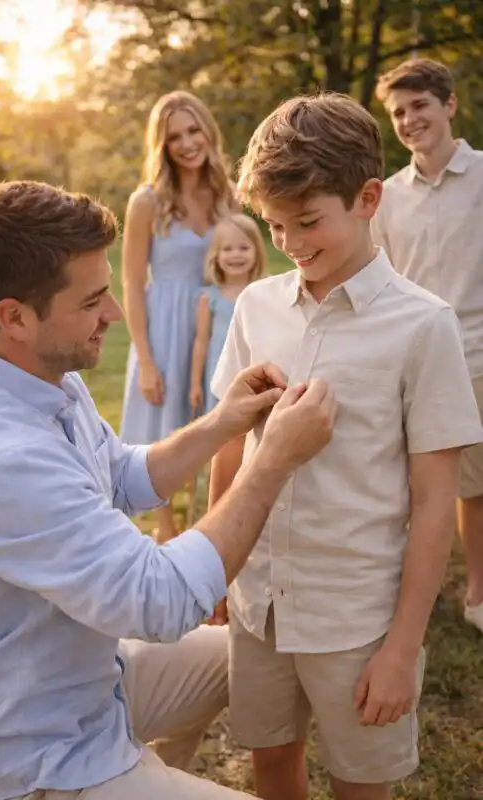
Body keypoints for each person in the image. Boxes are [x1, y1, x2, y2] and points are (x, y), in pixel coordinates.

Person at [0, 180, 336, 800]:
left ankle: (149, 767)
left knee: (259, 655)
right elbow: (162, 599)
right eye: (93, 300)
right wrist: (272, 463)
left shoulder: (45, 377)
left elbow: (123, 475)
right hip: (36, 754)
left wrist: (223, 421)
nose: (114, 314)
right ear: (15, 317)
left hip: (88, 679)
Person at [208, 94, 483, 800]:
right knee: (271, 762)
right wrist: (214, 569)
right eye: (274, 226)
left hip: (355, 616)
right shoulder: (255, 307)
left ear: (367, 199)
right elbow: (231, 446)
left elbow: (431, 503)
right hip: (257, 603)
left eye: (307, 222)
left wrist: (401, 649)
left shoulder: (423, 327)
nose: (292, 244)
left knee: (359, 783)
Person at [371, 58, 483, 634]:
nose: (410, 119)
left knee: (477, 485)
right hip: (412, 361)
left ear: (449, 106)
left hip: (478, 353)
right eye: (399, 112)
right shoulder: (386, 198)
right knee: (415, 484)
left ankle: (478, 594)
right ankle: (412, 591)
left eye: (420, 106)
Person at [121, 90, 237, 544]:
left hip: (216, 325)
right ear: (162, 146)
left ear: (208, 131)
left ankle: (208, 524)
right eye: (175, 137)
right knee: (162, 434)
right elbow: (131, 283)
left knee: (216, 427)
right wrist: (146, 359)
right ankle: (166, 533)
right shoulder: (146, 202)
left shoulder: (227, 197)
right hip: (165, 329)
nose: (188, 143)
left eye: (194, 130)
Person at [190, 213, 267, 415]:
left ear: (257, 251)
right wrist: (195, 384)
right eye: (227, 249)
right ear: (216, 254)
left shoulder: (264, 291)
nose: (236, 255)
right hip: (219, 370)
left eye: (244, 248)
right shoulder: (209, 298)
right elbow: (201, 342)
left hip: (252, 367)